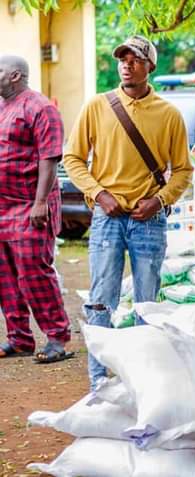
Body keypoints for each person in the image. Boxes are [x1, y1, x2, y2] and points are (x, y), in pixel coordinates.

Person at [63, 35, 193, 389]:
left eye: (135, 59)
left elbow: (183, 169)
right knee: (101, 297)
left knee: (147, 301)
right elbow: (72, 158)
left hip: (148, 220)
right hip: (107, 218)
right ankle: (98, 381)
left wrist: (160, 201)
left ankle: (144, 380)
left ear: (150, 65)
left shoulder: (169, 114)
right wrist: (99, 194)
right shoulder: (97, 106)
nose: (126, 64)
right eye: (122, 58)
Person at [0, 55, 73, 363]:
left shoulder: (40, 108)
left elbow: (49, 157)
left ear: (15, 75)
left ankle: (57, 338)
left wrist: (41, 202)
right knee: (5, 274)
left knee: (33, 272)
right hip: (2, 205)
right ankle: (19, 339)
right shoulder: (3, 108)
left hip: (31, 204)